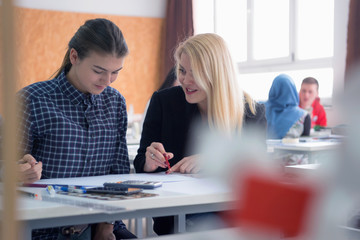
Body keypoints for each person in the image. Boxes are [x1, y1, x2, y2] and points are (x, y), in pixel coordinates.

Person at [133, 33, 266, 234]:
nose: (185, 80)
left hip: (229, 218)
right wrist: (149, 161)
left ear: (217, 74)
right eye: (182, 70)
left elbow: (257, 175)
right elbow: (141, 160)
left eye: (195, 73)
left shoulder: (250, 112)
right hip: (175, 215)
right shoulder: (164, 102)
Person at [16, 18, 136, 240]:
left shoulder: (116, 102)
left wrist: (106, 226)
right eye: (99, 70)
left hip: (103, 223)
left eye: (115, 72)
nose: (107, 80)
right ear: (74, 57)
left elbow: (118, 175)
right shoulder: (31, 100)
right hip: (46, 229)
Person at [265, 74, 311, 140]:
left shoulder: (260, 110)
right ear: (293, 90)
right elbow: (306, 143)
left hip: (262, 150)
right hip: (292, 150)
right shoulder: (303, 116)